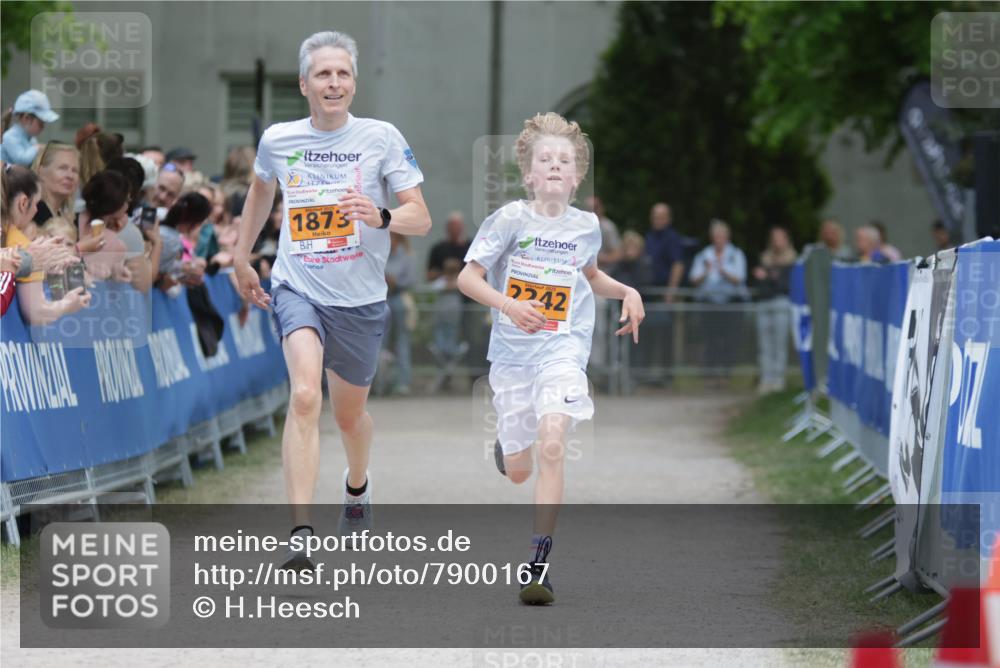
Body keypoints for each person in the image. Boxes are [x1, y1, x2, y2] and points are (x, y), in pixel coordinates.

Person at [233, 30, 430, 568]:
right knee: (303, 397)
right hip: (298, 286)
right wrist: (241, 255)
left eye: (342, 73)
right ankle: (300, 532)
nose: (334, 82)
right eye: (323, 73)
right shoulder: (279, 139)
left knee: (349, 417)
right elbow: (260, 190)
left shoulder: (381, 137)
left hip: (361, 299)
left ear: (354, 83)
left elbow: (421, 214)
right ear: (304, 84)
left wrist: (381, 214)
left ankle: (358, 486)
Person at [457, 112, 644, 605]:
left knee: (555, 442)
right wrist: (509, 304)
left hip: (562, 351)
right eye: (547, 159)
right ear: (529, 174)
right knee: (520, 470)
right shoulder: (509, 220)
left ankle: (537, 565)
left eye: (565, 160)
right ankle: (507, 446)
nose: (556, 166)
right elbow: (468, 279)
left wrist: (626, 290)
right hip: (513, 357)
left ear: (578, 175)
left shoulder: (587, 226)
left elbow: (590, 276)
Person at [1, 165, 89, 325]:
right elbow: (36, 313)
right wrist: (68, 304)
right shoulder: (24, 245)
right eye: (36, 203)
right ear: (23, 203)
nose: (36, 210)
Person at [689, 219, 748, 380]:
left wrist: (723, 271)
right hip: (709, 304)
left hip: (731, 304)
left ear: (727, 237)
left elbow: (740, 278)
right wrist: (706, 272)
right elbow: (694, 279)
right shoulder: (704, 256)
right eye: (716, 236)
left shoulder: (736, 255)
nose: (718, 239)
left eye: (721, 236)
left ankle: (726, 373)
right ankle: (711, 374)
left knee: (729, 339)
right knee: (710, 339)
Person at [752, 226, 797, 394]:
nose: (777, 242)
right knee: (764, 345)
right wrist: (770, 279)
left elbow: (785, 286)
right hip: (764, 303)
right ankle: (766, 378)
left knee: (779, 344)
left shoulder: (792, 261)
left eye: (780, 238)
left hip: (781, 304)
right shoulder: (765, 258)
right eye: (774, 238)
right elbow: (759, 285)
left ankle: (778, 379)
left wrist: (768, 277)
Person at [383, 232, 416, 394]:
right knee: (380, 342)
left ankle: (403, 382)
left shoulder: (406, 256)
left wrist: (396, 281)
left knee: (402, 342)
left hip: (398, 298)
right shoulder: (381, 253)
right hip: (382, 300)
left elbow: (411, 280)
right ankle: (378, 383)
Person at [1, 90, 59, 166]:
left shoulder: (32, 139)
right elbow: (21, 160)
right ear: (26, 118)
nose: (43, 127)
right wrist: (37, 148)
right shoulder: (10, 136)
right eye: (40, 123)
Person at [31, 142, 80, 225]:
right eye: (63, 168)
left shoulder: (59, 214)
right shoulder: (34, 213)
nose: (70, 176)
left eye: (75, 170)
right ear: (41, 171)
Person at [645, 202, 684, 302]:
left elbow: (678, 265)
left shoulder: (672, 238)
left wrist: (671, 291)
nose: (656, 220)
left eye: (660, 217)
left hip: (664, 291)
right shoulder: (649, 236)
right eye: (654, 217)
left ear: (668, 219)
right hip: (649, 290)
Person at [426, 210, 470, 281]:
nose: (455, 230)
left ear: (462, 227)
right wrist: (445, 271)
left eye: (457, 226)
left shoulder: (470, 248)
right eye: (452, 226)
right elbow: (429, 275)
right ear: (447, 228)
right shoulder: (438, 249)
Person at [584, 195, 622, 270]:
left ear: (602, 208)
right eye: (588, 208)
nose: (592, 211)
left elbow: (617, 255)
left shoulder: (608, 228)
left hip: (602, 271)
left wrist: (597, 258)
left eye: (595, 208)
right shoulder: (578, 226)